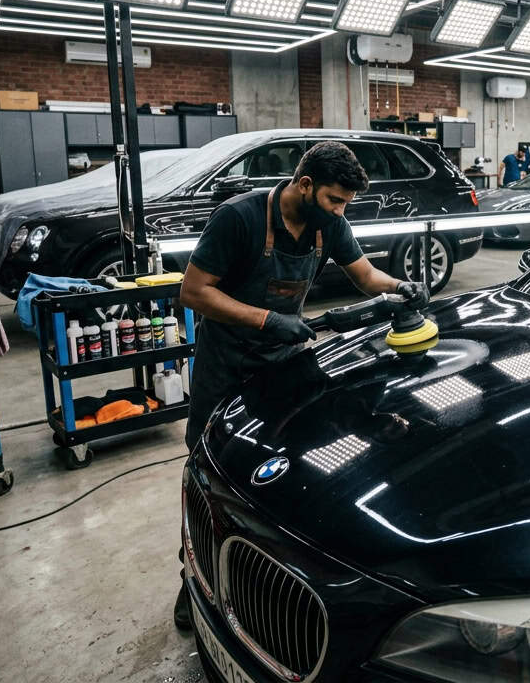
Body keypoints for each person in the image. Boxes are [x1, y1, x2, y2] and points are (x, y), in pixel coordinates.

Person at [174, 141, 427, 631]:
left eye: (345, 205)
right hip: (224, 362)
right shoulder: (239, 219)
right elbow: (194, 291)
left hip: (284, 360)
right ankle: (194, 578)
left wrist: (399, 286)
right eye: (334, 199)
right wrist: (269, 319)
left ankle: (263, 581)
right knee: (208, 473)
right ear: (305, 184)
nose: (339, 211)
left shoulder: (328, 223)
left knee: (279, 469)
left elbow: (365, 275)